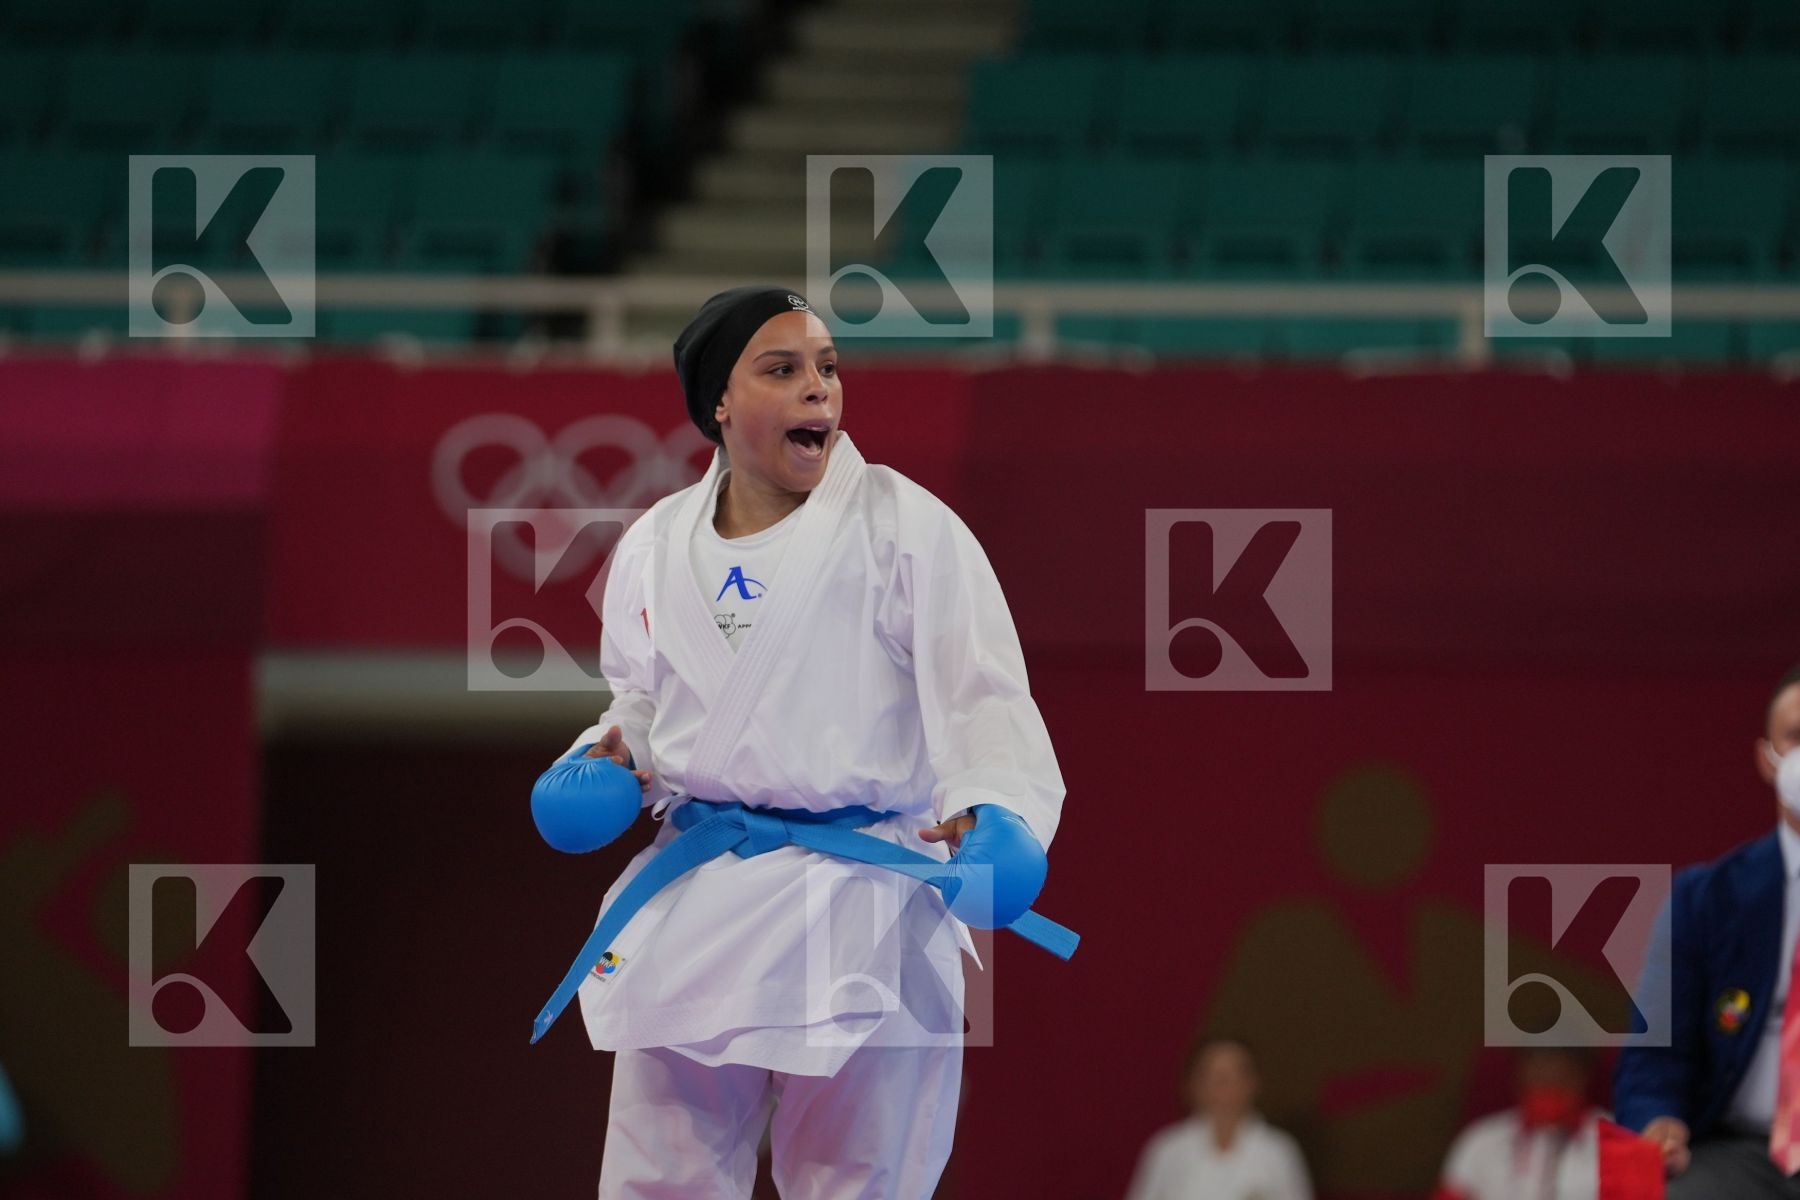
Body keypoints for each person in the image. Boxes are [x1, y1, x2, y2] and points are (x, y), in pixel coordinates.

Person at [538, 286, 1069, 1198]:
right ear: (720, 403)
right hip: (705, 891)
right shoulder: (656, 543)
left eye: (827, 368)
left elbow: (982, 691)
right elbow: (642, 697)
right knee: (656, 1179)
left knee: (861, 1181)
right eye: (782, 370)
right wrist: (609, 750)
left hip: (865, 891)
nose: (818, 389)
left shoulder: (906, 527)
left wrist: (1000, 809)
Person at [1614, 662, 1800, 1197]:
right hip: (1738, 1155)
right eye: (1797, 737)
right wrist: (1658, 1121)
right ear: (1767, 759)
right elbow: (1655, 1054)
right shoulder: (1704, 899)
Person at [1125, 1035, 1314, 1200]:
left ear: (1254, 1083)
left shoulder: (1278, 1152)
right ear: (1193, 1084)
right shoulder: (1168, 1149)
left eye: (1235, 1075)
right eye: (1214, 1076)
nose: (1224, 1086)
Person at [1433, 1047, 1604, 1200]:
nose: (1547, 1090)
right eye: (1539, 1079)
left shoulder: (1617, 1139)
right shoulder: (1481, 1139)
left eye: (1559, 1080)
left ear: (1582, 1079)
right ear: (1519, 1078)